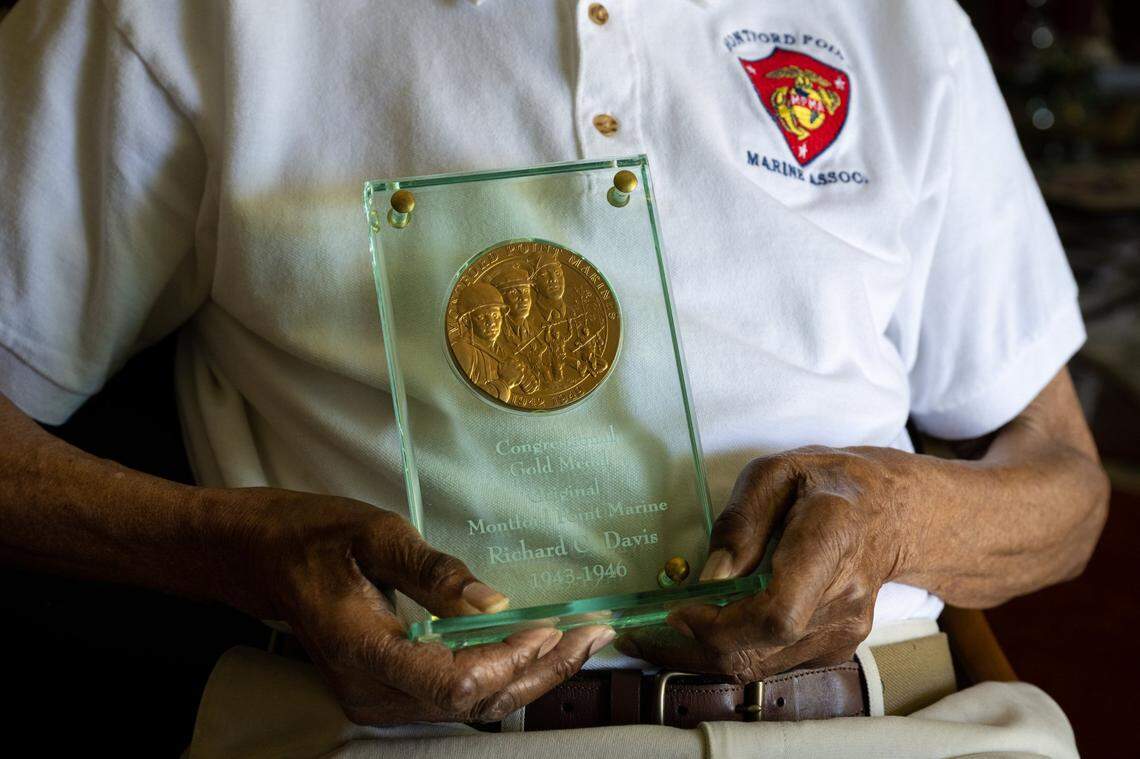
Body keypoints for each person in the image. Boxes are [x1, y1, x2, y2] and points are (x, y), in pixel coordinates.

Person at [0, 1, 1108, 757]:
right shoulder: (166, 20)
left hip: (898, 727)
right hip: (417, 743)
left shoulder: (901, 22)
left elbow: (1065, 485)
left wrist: (898, 519)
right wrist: (240, 554)